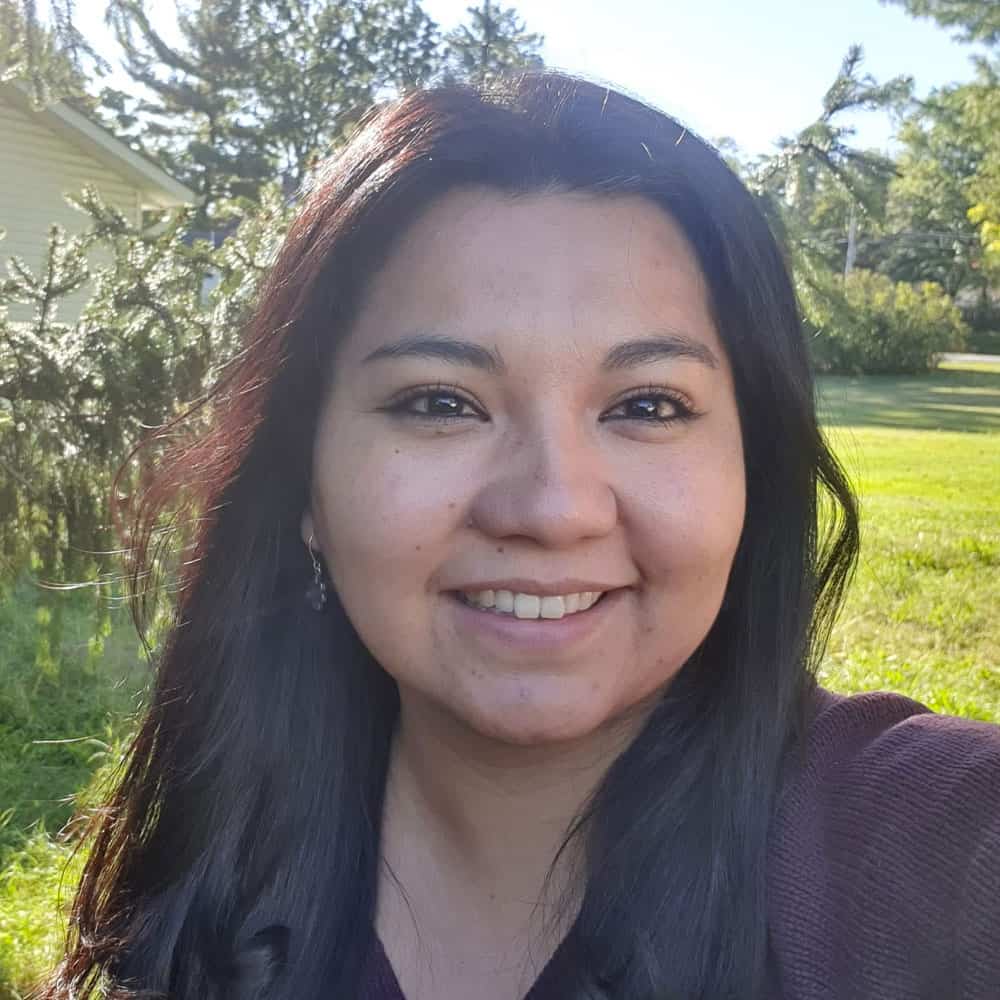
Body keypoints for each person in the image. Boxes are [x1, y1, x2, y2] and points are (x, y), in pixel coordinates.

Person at [38, 72, 999, 1000]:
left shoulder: (923, 843)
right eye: (441, 402)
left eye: (649, 404)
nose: (551, 507)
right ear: (306, 485)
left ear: (754, 467)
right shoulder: (201, 880)